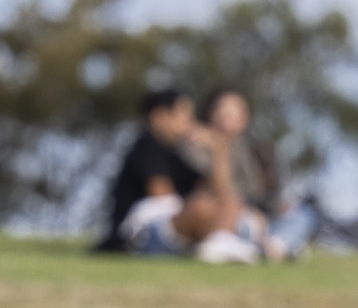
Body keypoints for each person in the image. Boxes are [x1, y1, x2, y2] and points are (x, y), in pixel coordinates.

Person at [98, 88, 253, 262]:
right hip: (142, 232)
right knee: (202, 207)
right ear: (160, 116)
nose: (190, 121)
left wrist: (219, 150)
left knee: (230, 201)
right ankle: (217, 242)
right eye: (184, 114)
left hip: (175, 228)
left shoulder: (176, 153)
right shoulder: (147, 145)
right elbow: (161, 194)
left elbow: (220, 191)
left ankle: (218, 243)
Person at [200, 87, 317, 259]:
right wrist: (220, 151)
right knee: (245, 223)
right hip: (229, 216)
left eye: (237, 109)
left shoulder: (253, 149)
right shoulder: (199, 145)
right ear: (211, 113)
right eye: (225, 109)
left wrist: (276, 208)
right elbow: (215, 191)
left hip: (260, 216)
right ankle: (278, 246)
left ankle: (273, 246)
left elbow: (262, 193)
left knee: (303, 215)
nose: (230, 115)